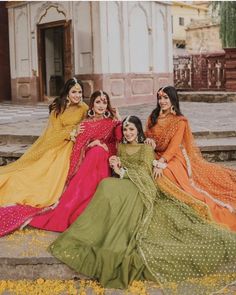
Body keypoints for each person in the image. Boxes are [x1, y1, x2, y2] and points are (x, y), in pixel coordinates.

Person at [50, 116, 236, 295]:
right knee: (106, 185)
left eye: (131, 129)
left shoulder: (145, 149)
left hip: (140, 188)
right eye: (125, 129)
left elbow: (145, 175)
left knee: (109, 187)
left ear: (138, 131)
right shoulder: (121, 147)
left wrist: (122, 172)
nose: (128, 132)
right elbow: (118, 161)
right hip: (125, 183)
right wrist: (115, 162)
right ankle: (98, 229)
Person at [0, 90, 122, 236]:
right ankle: (79, 200)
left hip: (102, 162)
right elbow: (77, 149)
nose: (101, 105)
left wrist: (118, 119)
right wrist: (92, 144)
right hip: (87, 165)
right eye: (98, 102)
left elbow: (119, 140)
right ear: (92, 105)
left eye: (104, 102)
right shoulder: (85, 124)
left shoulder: (112, 123)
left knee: (99, 152)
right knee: (95, 151)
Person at [0, 77, 88, 235]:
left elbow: (90, 124)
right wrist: (72, 131)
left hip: (71, 146)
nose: (77, 95)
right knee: (29, 171)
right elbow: (53, 133)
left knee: (53, 174)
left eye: (80, 92)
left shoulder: (84, 108)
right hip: (55, 144)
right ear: (67, 93)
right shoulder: (57, 107)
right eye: (74, 91)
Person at [145, 86, 236, 231]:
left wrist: (161, 163)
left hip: (173, 156)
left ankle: (185, 200)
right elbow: (148, 135)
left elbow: (174, 147)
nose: (162, 101)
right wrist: (149, 141)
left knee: (166, 173)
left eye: (165, 98)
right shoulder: (153, 117)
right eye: (160, 98)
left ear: (173, 99)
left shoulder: (179, 121)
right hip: (155, 154)